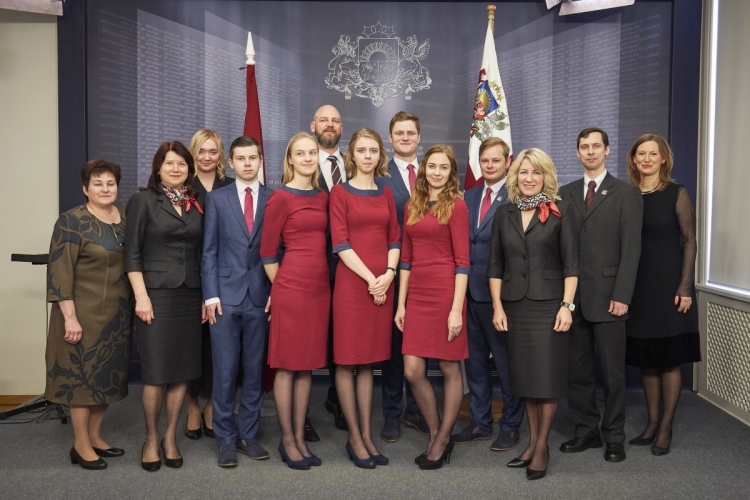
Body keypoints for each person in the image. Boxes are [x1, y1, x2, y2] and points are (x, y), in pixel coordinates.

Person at [488, 148, 579, 480]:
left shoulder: (561, 211)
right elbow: (495, 265)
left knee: (546, 380)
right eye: (524, 172)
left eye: (536, 172)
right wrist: (497, 306)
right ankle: (532, 444)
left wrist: (567, 306)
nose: (529, 178)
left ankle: (541, 448)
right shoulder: (504, 213)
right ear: (516, 175)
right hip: (515, 306)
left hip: (550, 306)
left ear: (545, 176)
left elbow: (572, 265)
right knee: (527, 379)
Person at [558, 127, 643, 463]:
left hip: (610, 298)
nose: (590, 152)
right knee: (577, 372)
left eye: (596, 146)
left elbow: (631, 250)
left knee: (612, 373)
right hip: (572, 299)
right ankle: (586, 431)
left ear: (607, 150)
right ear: (577, 152)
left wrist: (623, 294)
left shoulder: (626, 193)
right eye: (584, 147)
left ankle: (614, 436)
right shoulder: (564, 193)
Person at [45, 159, 132, 470]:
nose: (105, 189)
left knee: (104, 378)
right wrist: (69, 317)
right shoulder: (72, 221)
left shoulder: (126, 219)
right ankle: (80, 445)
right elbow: (59, 273)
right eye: (97, 184)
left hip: (116, 316)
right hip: (81, 314)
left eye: (110, 183)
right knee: (82, 381)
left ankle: (95, 436)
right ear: (85, 188)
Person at [124, 141, 206, 472]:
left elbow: (202, 252)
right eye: (169, 163)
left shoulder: (196, 202)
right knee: (156, 374)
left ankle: (170, 437)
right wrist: (141, 297)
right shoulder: (143, 201)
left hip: (190, 295)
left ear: (189, 169)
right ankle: (150, 438)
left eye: (181, 164)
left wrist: (205, 296)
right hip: (155, 296)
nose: (175, 169)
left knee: (182, 372)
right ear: (158, 168)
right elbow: (132, 253)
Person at [395, 144, 470, 470]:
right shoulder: (412, 205)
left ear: (451, 172)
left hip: (446, 295)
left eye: (444, 167)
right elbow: (406, 259)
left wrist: (456, 309)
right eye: (432, 166)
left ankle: (440, 439)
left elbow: (463, 263)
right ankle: (438, 430)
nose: (437, 172)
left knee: (450, 367)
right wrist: (401, 304)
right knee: (412, 371)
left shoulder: (457, 206)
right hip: (417, 297)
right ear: (424, 169)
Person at [624, 134, 700, 456]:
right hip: (639, 288)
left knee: (669, 358)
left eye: (653, 154)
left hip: (670, 287)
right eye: (641, 153)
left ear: (663, 159)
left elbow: (689, 241)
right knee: (648, 358)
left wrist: (684, 286)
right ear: (634, 158)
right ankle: (652, 422)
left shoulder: (676, 193)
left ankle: (666, 426)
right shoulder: (628, 195)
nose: (647, 159)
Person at [330, 128, 401, 468]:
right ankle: (354, 437)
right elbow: (340, 243)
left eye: (373, 150)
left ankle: (368, 436)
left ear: (380, 155)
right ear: (352, 155)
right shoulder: (340, 193)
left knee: (370, 362)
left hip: (382, 286)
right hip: (353, 286)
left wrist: (388, 275)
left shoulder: (386, 192)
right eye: (362, 150)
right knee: (347, 361)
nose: (368, 156)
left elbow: (395, 238)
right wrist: (373, 279)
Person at [260, 132, 330, 470]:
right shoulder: (280, 198)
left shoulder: (323, 197)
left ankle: (300, 437)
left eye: (312, 152)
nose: (307, 158)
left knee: (307, 366)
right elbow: (267, 253)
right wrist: (283, 290)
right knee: (287, 365)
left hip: (320, 291)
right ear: (289, 159)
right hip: (291, 289)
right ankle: (287, 439)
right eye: (300, 153)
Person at [202, 136, 272, 467]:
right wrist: (210, 294)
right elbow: (209, 250)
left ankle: (248, 436)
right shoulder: (217, 198)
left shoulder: (274, 198)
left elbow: (280, 249)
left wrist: (276, 291)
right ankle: (226, 440)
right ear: (230, 163)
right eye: (240, 159)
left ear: (261, 161)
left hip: (261, 296)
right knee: (225, 371)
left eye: (252, 158)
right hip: (224, 299)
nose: (247, 163)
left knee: (254, 371)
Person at [453, 137, 525, 451]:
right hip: (466, 295)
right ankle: (480, 422)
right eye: (485, 161)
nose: (490, 166)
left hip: (501, 298)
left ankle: (510, 425)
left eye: (496, 160)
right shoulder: (467, 195)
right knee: (476, 364)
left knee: (508, 367)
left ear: (508, 162)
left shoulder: (519, 196)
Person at [376, 111, 429, 442]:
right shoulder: (380, 177)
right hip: (393, 271)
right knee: (394, 346)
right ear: (390, 138)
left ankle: (418, 410)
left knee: (424, 343)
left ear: (419, 137)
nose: (406, 138)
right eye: (400, 133)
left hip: (430, 273)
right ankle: (392, 413)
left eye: (411, 133)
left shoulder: (435, 171)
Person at [185, 129, 234, 440]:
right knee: (192, 347)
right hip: (188, 278)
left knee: (220, 350)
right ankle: (192, 406)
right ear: (193, 154)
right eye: (201, 151)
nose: (206, 157)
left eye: (213, 151)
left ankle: (212, 406)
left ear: (221, 156)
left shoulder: (230, 186)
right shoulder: (181, 187)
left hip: (222, 279)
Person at [309, 104, 347, 436]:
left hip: (351, 267)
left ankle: (338, 399)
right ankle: (301, 413)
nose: (330, 125)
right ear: (314, 125)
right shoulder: (302, 163)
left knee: (343, 337)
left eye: (335, 120)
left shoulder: (357, 162)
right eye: (324, 120)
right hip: (313, 266)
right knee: (308, 337)